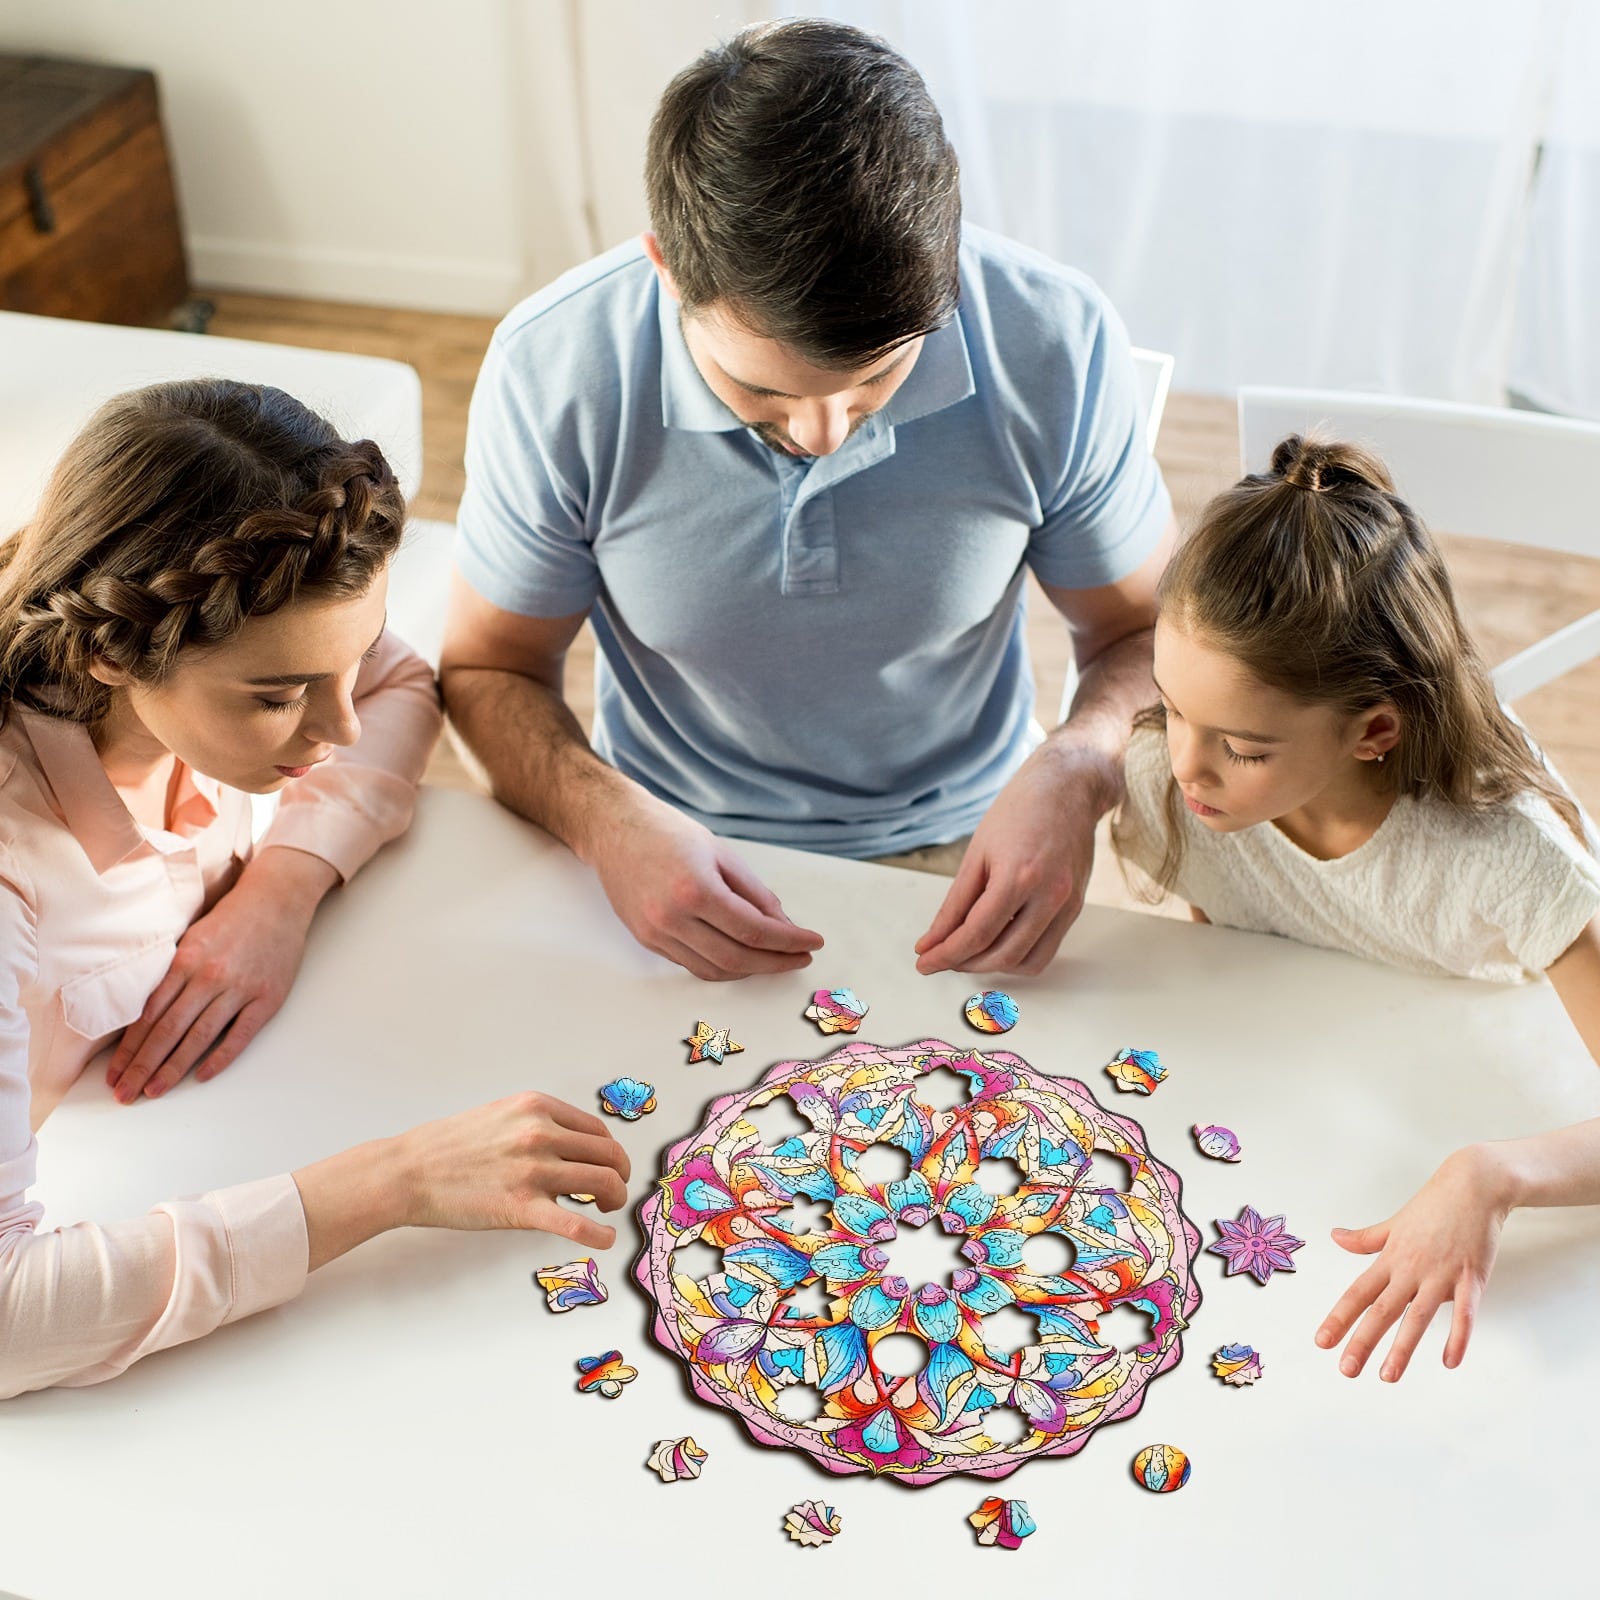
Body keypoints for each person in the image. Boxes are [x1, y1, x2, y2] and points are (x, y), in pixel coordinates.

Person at [440, 19, 1176, 982]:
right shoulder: (554, 370)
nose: (826, 434)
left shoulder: (1053, 340)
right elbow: (488, 671)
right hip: (658, 843)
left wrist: (1079, 772)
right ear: (667, 270)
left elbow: (1148, 638)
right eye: (765, 393)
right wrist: (601, 817)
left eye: (877, 383)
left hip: (974, 839)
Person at [1, 380, 629, 1399]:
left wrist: (279, 893)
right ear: (113, 650)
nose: (334, 730)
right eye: (278, 695)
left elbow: (395, 685)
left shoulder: (232, 646)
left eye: (342, 660)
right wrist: (395, 1181)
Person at [1112, 433, 1600, 1383]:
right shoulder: (1172, 789)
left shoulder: (1509, 858)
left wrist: (1490, 1176)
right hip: (1326, 1094)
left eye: (1242, 748)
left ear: (1374, 730)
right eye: (1171, 708)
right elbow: (1244, 950)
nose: (1184, 766)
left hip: (1503, 1065)